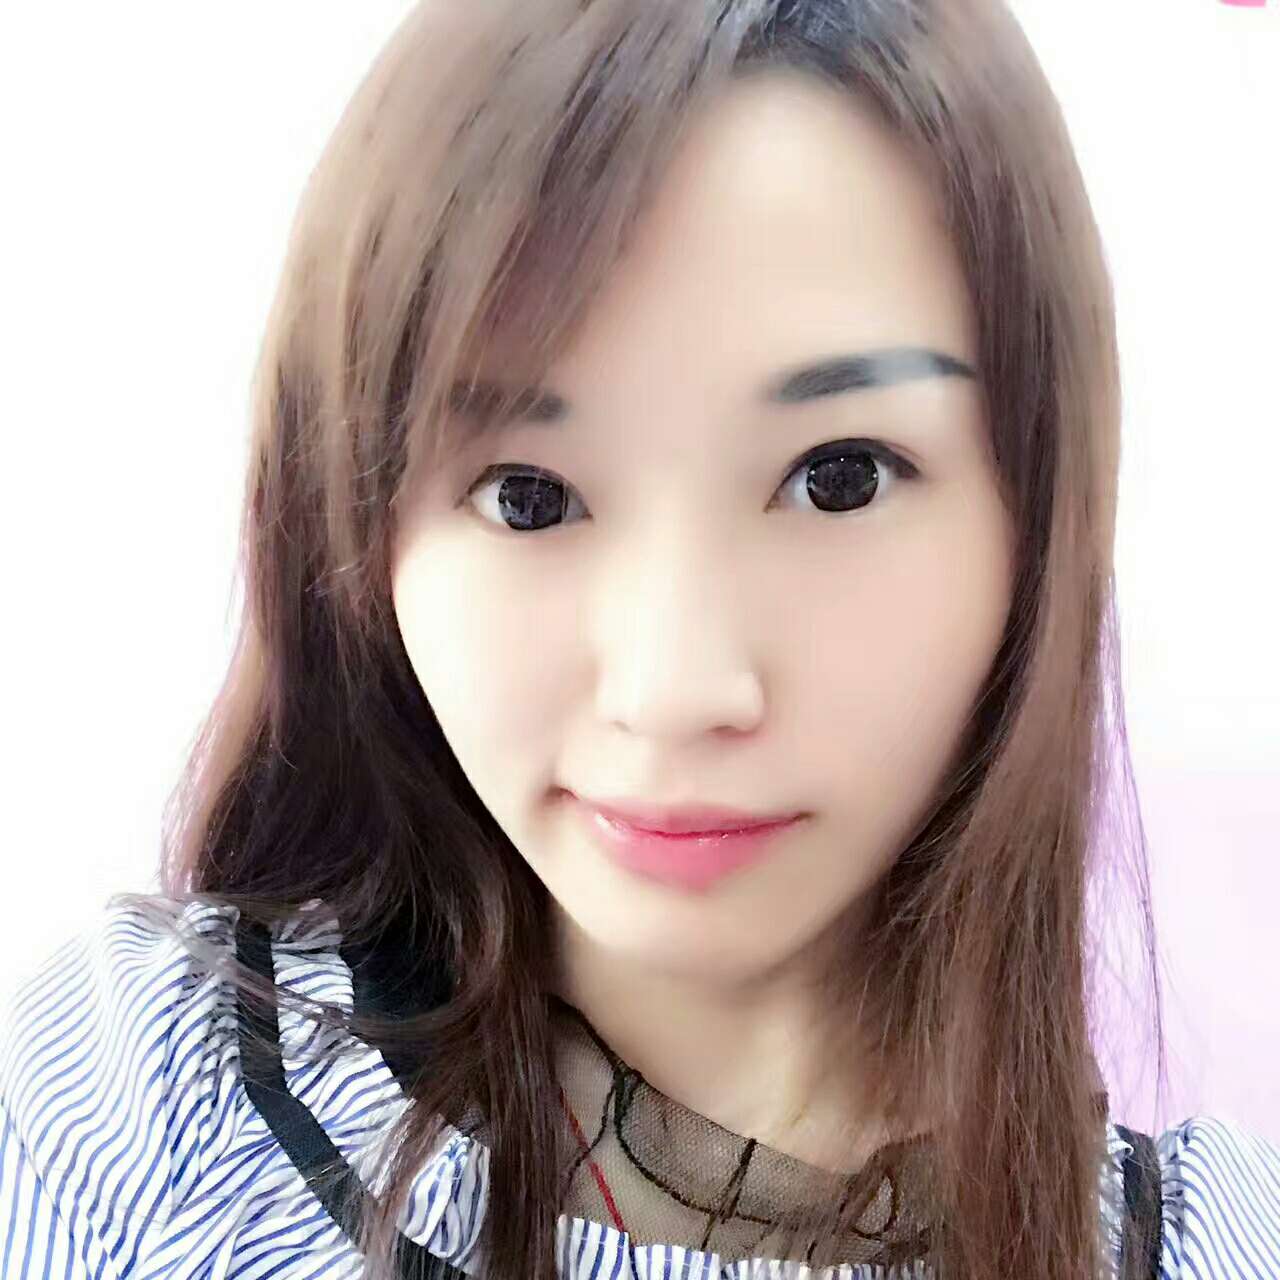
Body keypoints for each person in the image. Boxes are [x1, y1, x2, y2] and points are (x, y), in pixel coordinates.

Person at [1, 1, 1276, 1277]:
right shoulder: (148, 1106)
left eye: (837, 477)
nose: (673, 688)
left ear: (1036, 516)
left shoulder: (1205, 1245)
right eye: (526, 496)